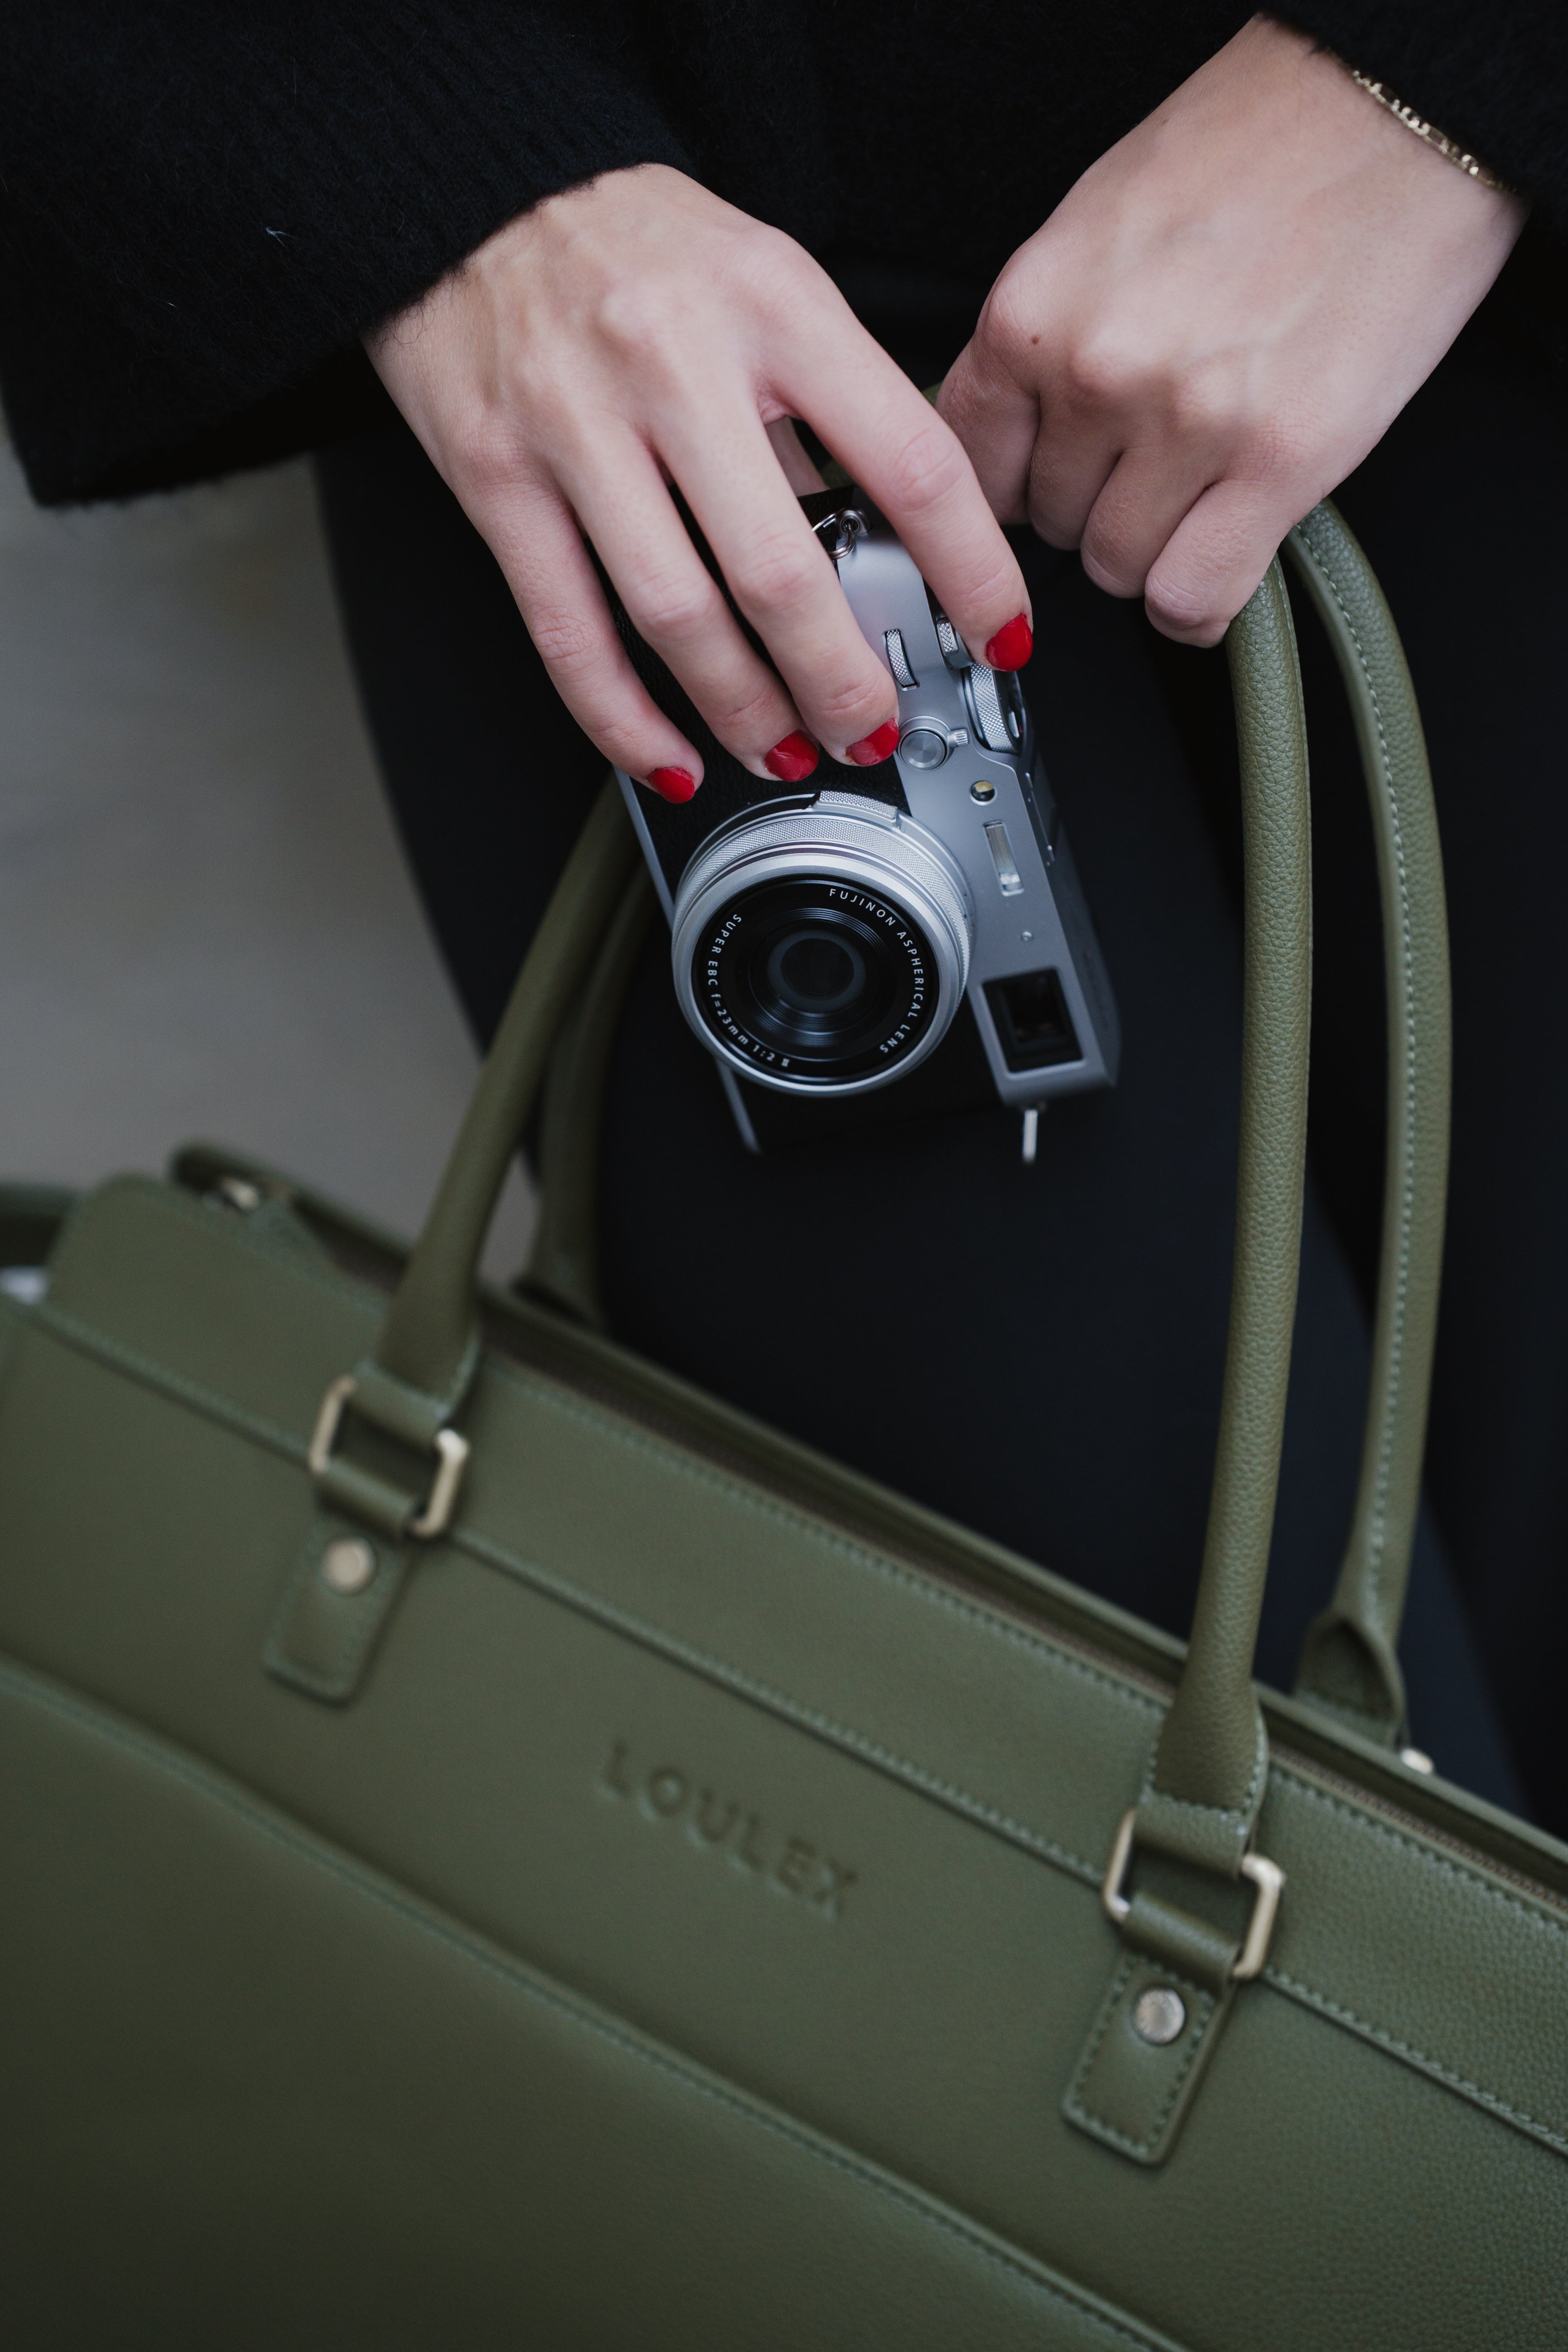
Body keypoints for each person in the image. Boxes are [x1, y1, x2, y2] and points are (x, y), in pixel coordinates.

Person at [2, 7, 1563, 1821]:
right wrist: (415, 148)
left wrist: (1441, 81)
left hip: (1472, 272)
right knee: (1082, 1801)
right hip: (662, 343)